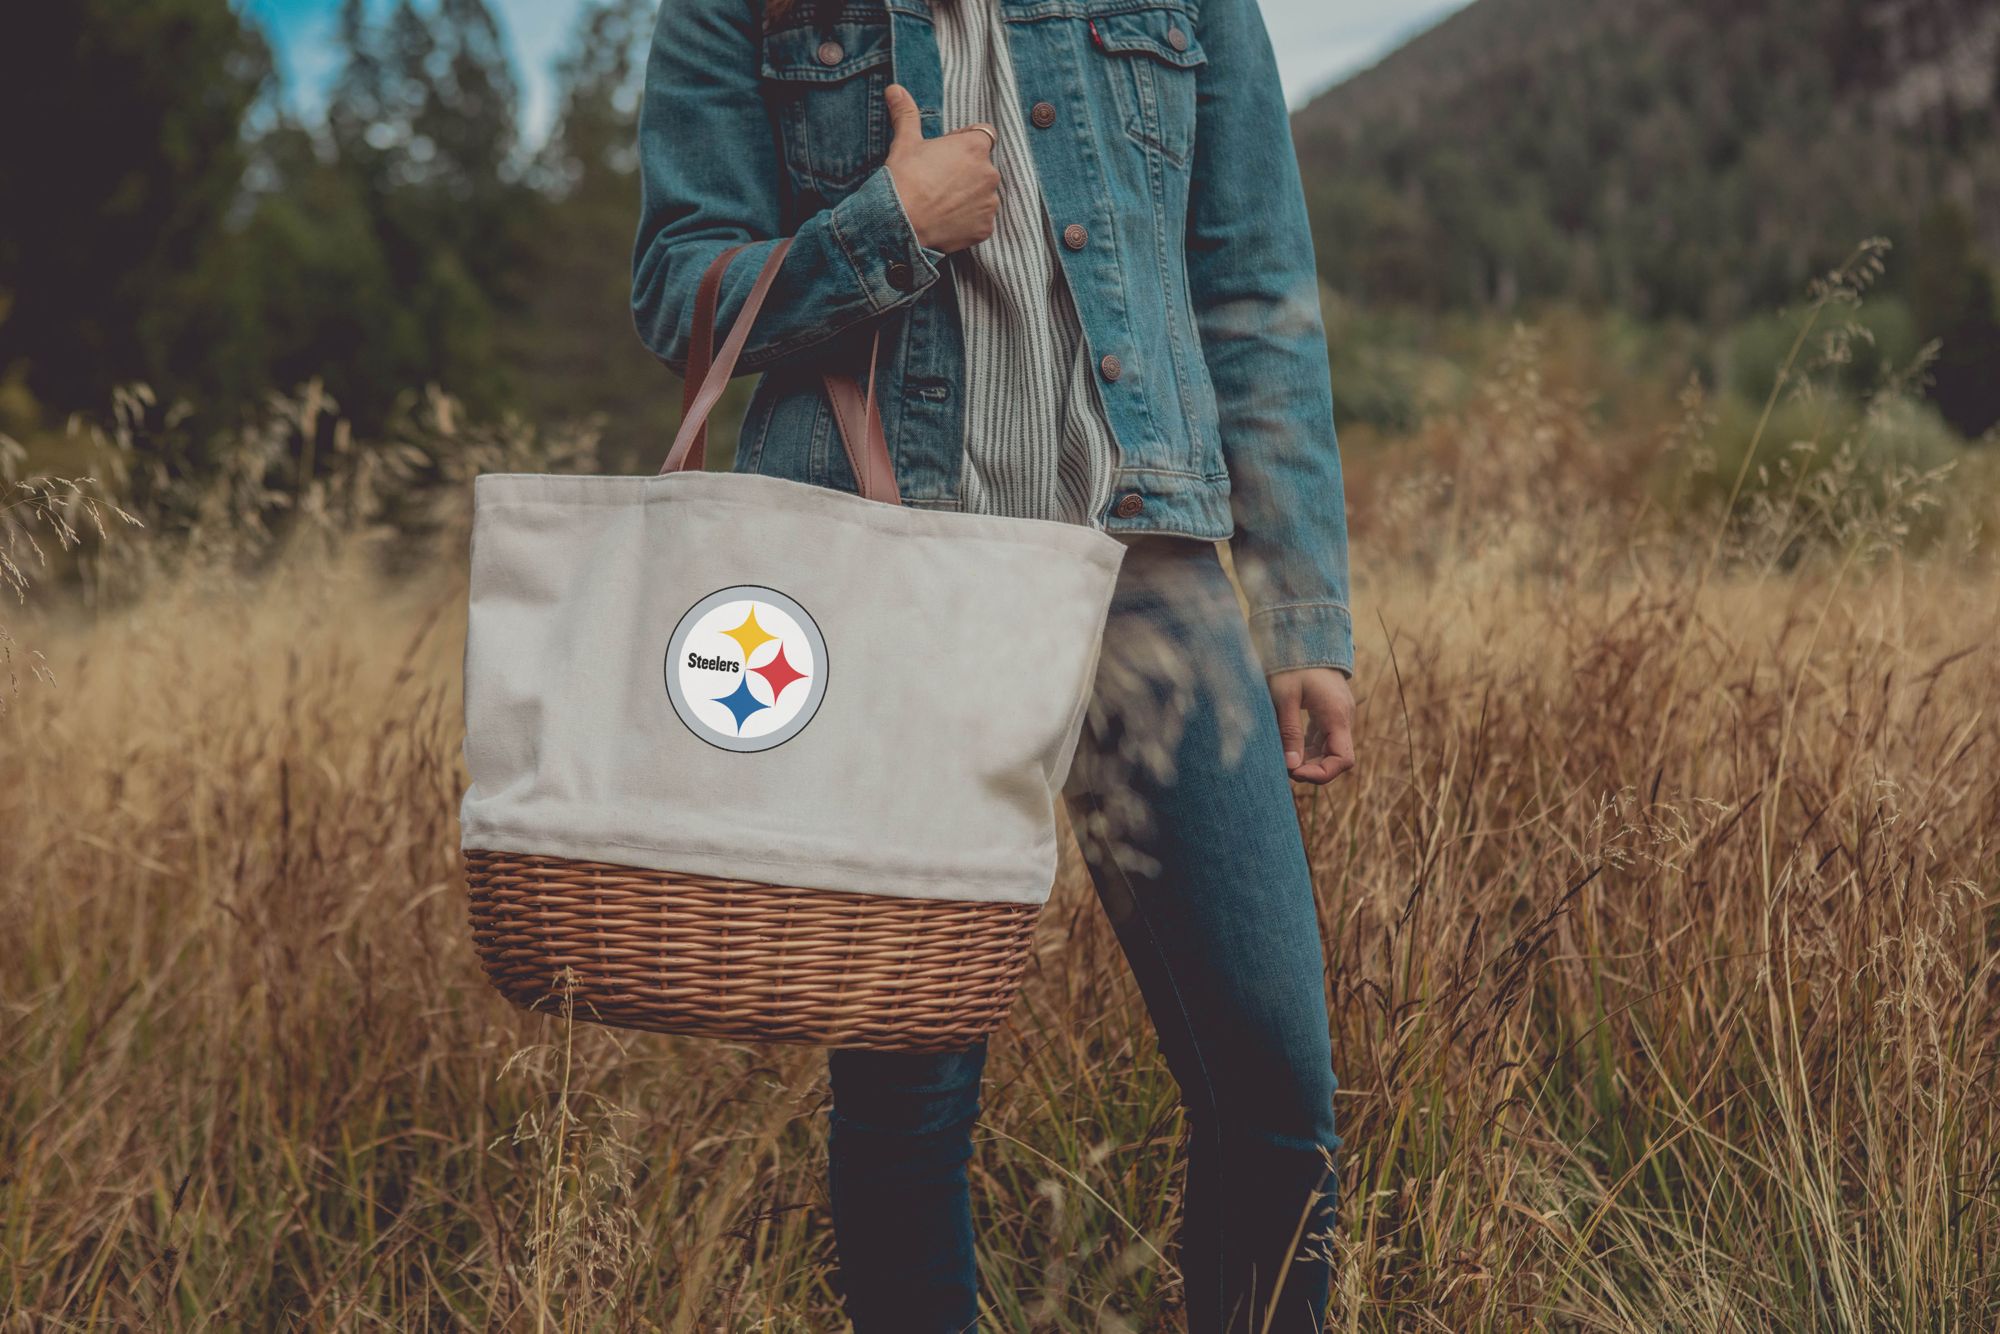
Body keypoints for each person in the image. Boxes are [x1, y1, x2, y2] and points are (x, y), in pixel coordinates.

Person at [633, 0, 1356, 1327]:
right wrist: (884, 229)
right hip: (894, 582)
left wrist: (1304, 607)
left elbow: (1252, 283)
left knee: (1274, 1084)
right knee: (910, 1099)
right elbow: (679, 286)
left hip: (1152, 579)